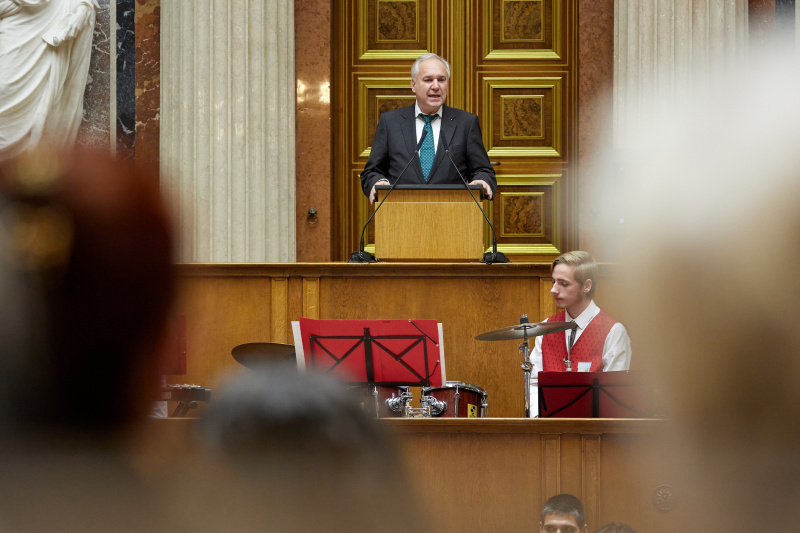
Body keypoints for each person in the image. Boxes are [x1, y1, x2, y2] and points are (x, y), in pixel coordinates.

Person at [360, 53, 496, 204]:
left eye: (441, 80)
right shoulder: (390, 122)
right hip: (400, 215)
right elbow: (372, 172)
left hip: (452, 216)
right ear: (413, 85)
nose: (436, 86)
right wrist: (378, 183)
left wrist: (482, 181)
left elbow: (483, 170)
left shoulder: (466, 123)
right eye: (428, 80)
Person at [529, 251, 631, 416]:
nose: (553, 290)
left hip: (595, 434)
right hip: (549, 431)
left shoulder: (614, 331)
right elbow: (534, 384)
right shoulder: (546, 328)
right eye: (553, 281)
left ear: (586, 286)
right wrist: (538, 418)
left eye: (563, 283)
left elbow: (614, 394)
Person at [0, 0, 99, 162]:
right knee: (4, 88)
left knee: (40, 108)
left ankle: (25, 171)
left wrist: (82, 11)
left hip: (52, 15)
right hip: (15, 18)